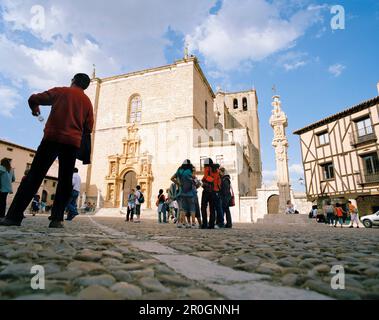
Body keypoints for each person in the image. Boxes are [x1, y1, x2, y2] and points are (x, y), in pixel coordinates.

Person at [0, 73, 94, 228]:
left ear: (73, 81)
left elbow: (33, 98)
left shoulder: (61, 91)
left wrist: (35, 109)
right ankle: (57, 220)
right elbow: (89, 127)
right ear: (85, 86)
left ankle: (14, 217)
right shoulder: (87, 102)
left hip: (52, 138)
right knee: (64, 181)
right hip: (72, 144)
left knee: (34, 176)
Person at [171, 160, 196, 228]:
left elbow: (172, 178)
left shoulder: (179, 171)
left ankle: (183, 223)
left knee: (183, 208)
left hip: (182, 192)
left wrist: (178, 183)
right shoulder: (189, 171)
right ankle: (193, 223)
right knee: (192, 208)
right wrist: (194, 172)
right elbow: (194, 178)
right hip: (190, 192)